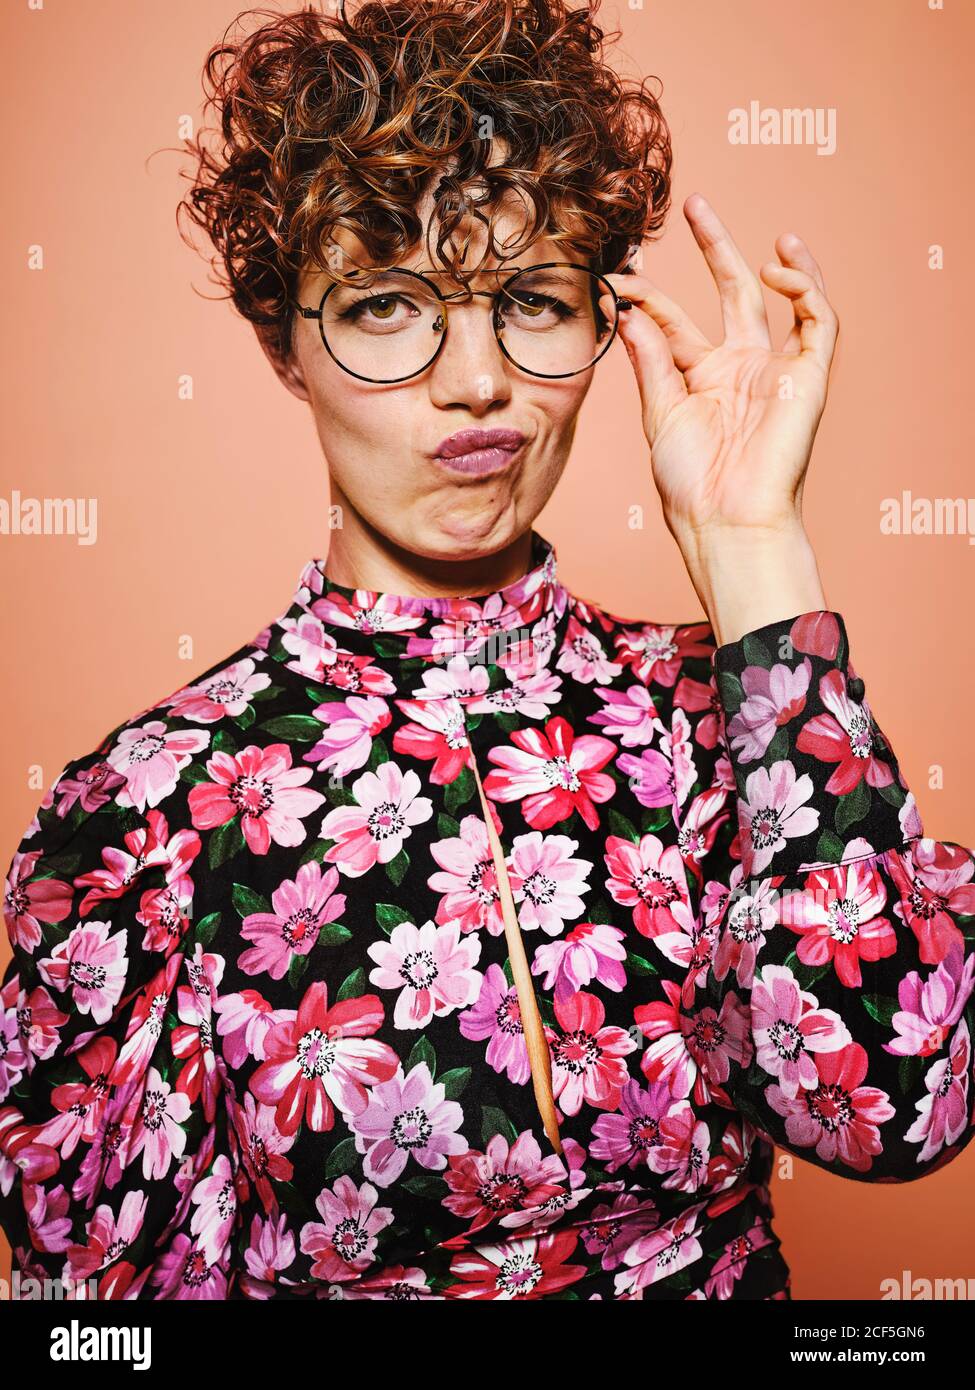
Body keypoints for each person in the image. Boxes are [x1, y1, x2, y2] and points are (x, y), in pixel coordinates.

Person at [2, 0, 973, 1303]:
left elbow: (896, 1113)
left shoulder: (725, 709)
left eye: (530, 298)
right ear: (283, 337)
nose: (477, 381)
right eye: (391, 303)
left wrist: (753, 547)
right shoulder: (147, 812)